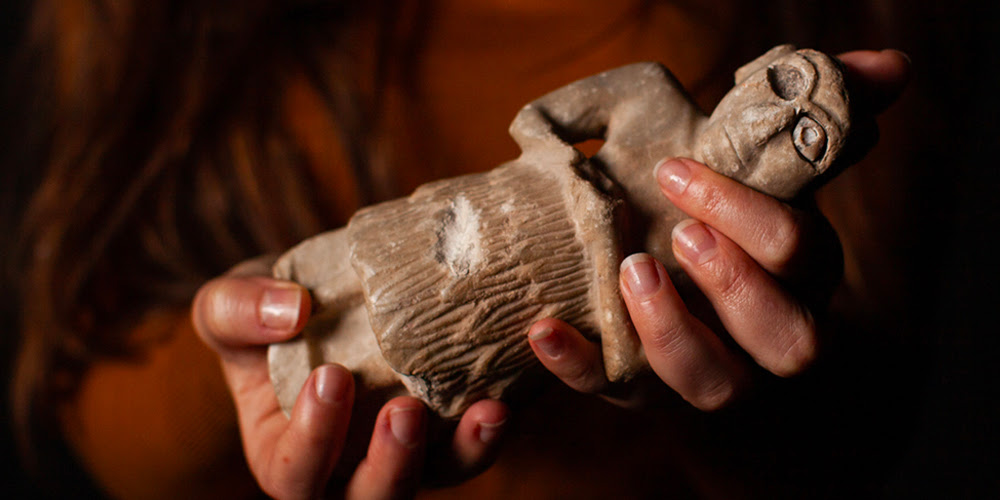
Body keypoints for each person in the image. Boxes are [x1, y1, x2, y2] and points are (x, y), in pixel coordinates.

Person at [5, 0, 938, 498]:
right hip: (487, 215)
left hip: (513, 314)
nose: (771, 126)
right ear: (748, 71)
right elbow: (540, 121)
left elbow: (626, 358)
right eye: (782, 87)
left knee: (409, 367)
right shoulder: (653, 96)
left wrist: (733, 403)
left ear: (815, 175)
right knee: (354, 274)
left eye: (805, 141)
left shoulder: (724, 241)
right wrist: (222, 362)